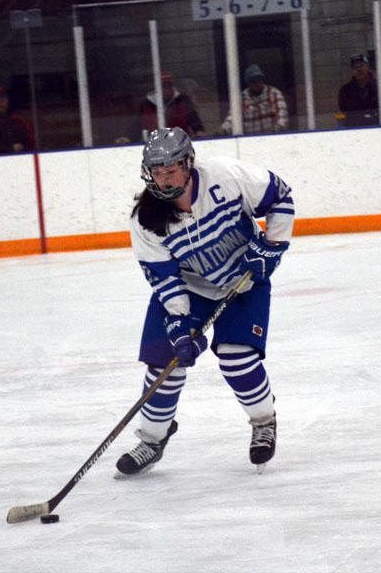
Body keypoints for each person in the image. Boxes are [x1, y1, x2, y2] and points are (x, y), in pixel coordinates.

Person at [117, 127, 294, 475]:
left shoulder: (226, 176)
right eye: (156, 171)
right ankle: (153, 440)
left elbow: (281, 198)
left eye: (170, 171)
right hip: (190, 288)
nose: (163, 180)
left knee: (235, 358)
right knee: (164, 364)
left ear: (187, 164)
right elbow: (165, 279)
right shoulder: (146, 218)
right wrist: (180, 325)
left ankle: (263, 421)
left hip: (244, 280)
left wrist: (271, 248)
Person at [219, 64, 289, 135]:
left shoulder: (273, 93)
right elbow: (232, 119)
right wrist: (223, 130)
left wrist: (279, 127)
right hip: (250, 141)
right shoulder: (242, 99)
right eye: (253, 81)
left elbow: (282, 115)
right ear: (248, 83)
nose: (257, 83)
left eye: (259, 80)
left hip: (272, 138)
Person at [139, 72, 205, 140]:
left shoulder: (183, 100)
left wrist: (198, 131)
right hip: (156, 142)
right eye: (164, 86)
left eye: (169, 85)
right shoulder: (147, 104)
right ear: (157, 88)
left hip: (180, 141)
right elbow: (141, 125)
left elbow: (194, 119)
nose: (167, 89)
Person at [0, 86, 35, 154]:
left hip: (21, 158)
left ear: (8, 101)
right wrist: (10, 149)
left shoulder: (19, 120)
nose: (1, 102)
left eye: (3, 99)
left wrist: (23, 148)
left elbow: (31, 141)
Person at [337, 53, 379, 127]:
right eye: (355, 67)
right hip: (354, 128)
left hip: (375, 126)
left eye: (361, 66)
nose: (359, 69)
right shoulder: (346, 90)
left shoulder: (378, 86)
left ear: (368, 67)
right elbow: (345, 109)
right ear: (352, 70)